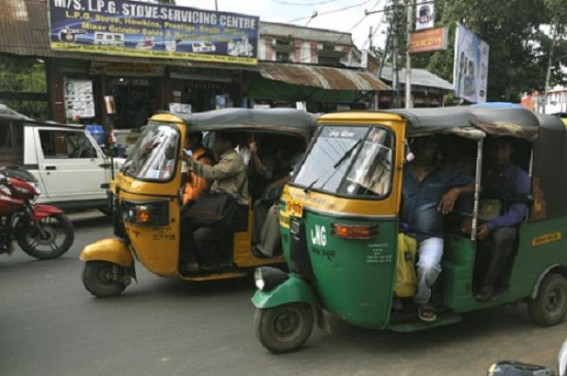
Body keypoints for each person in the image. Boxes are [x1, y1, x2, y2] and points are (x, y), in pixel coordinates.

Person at [402, 136, 475, 322]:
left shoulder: (446, 173)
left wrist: (455, 191)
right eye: (422, 144)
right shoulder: (401, 170)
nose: (425, 148)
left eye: (430, 144)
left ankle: (422, 300)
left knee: (429, 266)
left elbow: (476, 185)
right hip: (402, 233)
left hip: (430, 235)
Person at [180, 131, 248, 272]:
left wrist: (187, 160)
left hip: (230, 209)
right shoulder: (222, 158)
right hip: (218, 204)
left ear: (228, 143)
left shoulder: (234, 160)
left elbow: (212, 173)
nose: (213, 144)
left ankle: (214, 264)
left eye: (217, 140)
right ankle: (191, 260)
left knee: (200, 236)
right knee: (184, 221)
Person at [475, 138, 530, 301]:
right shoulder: (486, 172)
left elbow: (518, 213)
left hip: (507, 223)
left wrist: (491, 226)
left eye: (504, 148)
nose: (499, 153)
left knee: (502, 236)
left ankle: (488, 285)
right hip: (484, 218)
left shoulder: (521, 177)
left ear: (511, 151)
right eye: (496, 149)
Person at [181, 132, 214, 205]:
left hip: (193, 202)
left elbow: (200, 188)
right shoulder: (193, 156)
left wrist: (186, 200)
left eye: (185, 138)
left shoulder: (203, 158)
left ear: (195, 140)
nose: (183, 140)